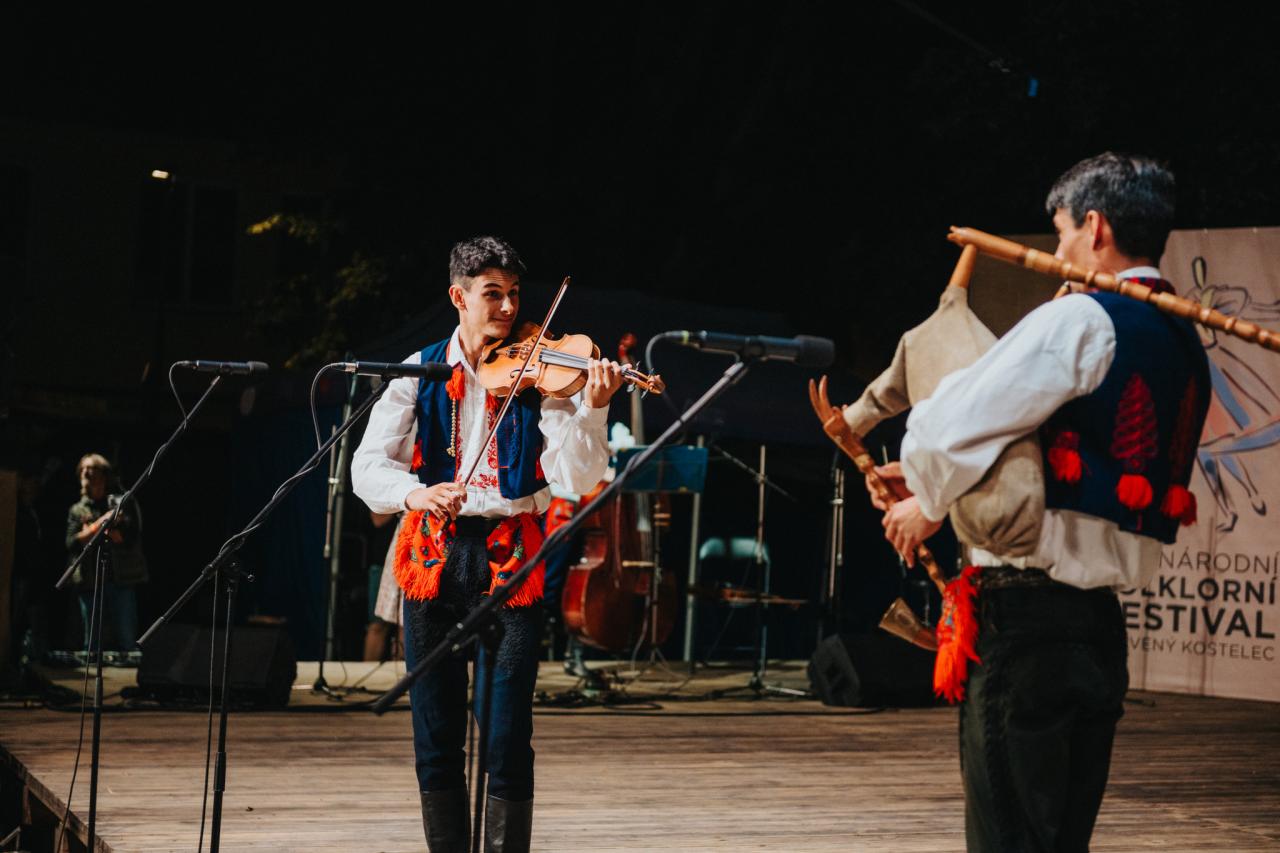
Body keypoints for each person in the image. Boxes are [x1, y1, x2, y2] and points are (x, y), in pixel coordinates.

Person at [871, 153, 1210, 852]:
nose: (1058, 253)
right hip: (1100, 630)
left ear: (1096, 227)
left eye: (1061, 233)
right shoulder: (1183, 338)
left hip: (1025, 624)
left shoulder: (1082, 319)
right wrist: (935, 485)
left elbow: (946, 423)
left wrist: (928, 497)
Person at [351, 236, 622, 852]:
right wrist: (415, 493)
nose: (507, 308)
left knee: (507, 734)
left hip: (511, 557)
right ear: (459, 297)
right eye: (492, 294)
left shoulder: (542, 375)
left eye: (514, 294)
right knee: (435, 730)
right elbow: (367, 467)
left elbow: (578, 477)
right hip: (434, 556)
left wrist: (592, 410)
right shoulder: (419, 370)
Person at [64, 453, 148, 661]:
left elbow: (129, 537)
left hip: (121, 579)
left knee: (127, 639)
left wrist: (93, 530)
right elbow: (72, 543)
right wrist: (101, 524)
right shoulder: (78, 509)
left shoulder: (120, 503)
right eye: (83, 469)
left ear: (103, 474)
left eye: (91, 468)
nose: (86, 473)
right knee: (91, 642)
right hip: (89, 582)